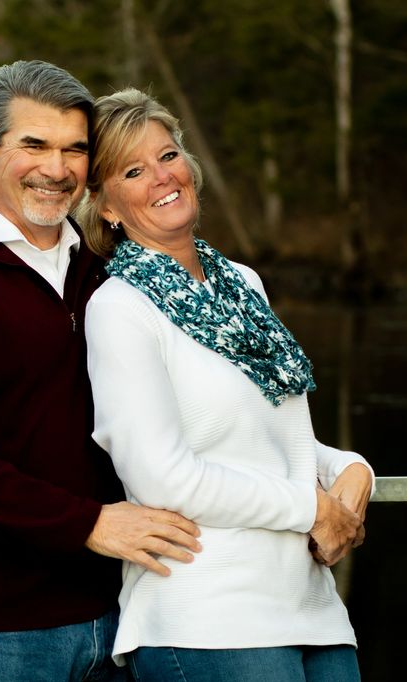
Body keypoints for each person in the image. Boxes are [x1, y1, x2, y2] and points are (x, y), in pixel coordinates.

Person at [0, 62, 202, 682]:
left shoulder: (106, 271)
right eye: (34, 145)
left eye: (75, 149)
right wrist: (89, 523)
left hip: (122, 611)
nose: (57, 169)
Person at [76, 88, 375, 682]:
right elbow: (162, 476)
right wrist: (310, 505)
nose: (162, 177)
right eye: (133, 171)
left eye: (168, 155)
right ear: (107, 206)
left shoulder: (242, 283)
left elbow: (267, 440)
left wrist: (354, 468)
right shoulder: (121, 308)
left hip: (309, 605)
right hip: (207, 618)